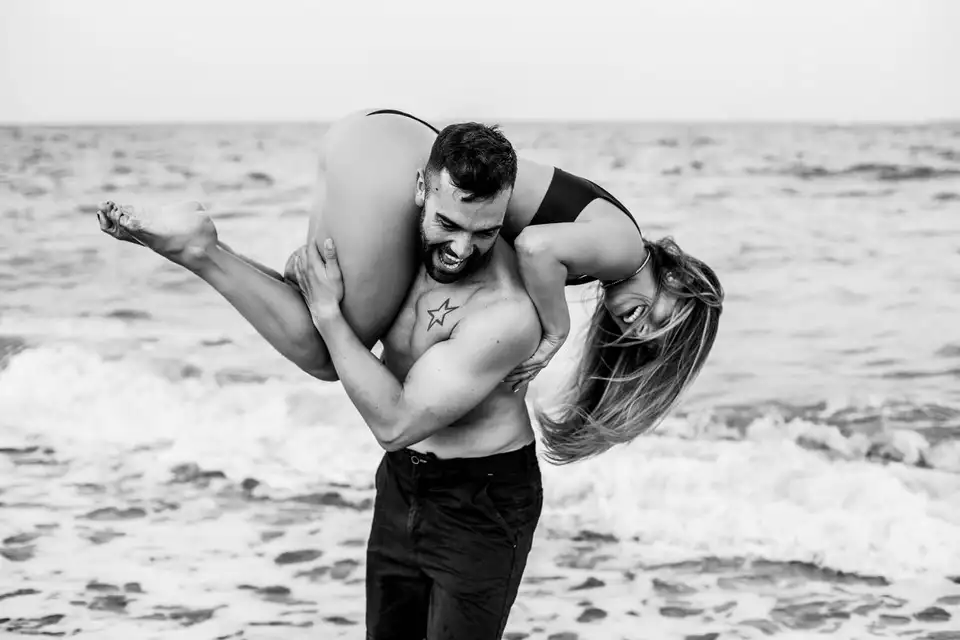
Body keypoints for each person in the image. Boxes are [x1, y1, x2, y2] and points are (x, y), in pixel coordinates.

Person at [95, 109, 724, 466]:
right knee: (323, 353)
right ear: (679, 278)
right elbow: (534, 246)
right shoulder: (622, 248)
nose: (638, 326)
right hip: (399, 170)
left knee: (319, 307)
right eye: (662, 318)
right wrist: (556, 329)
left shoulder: (611, 242)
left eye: (644, 338)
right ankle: (197, 248)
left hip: (378, 139)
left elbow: (518, 240)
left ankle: (206, 246)